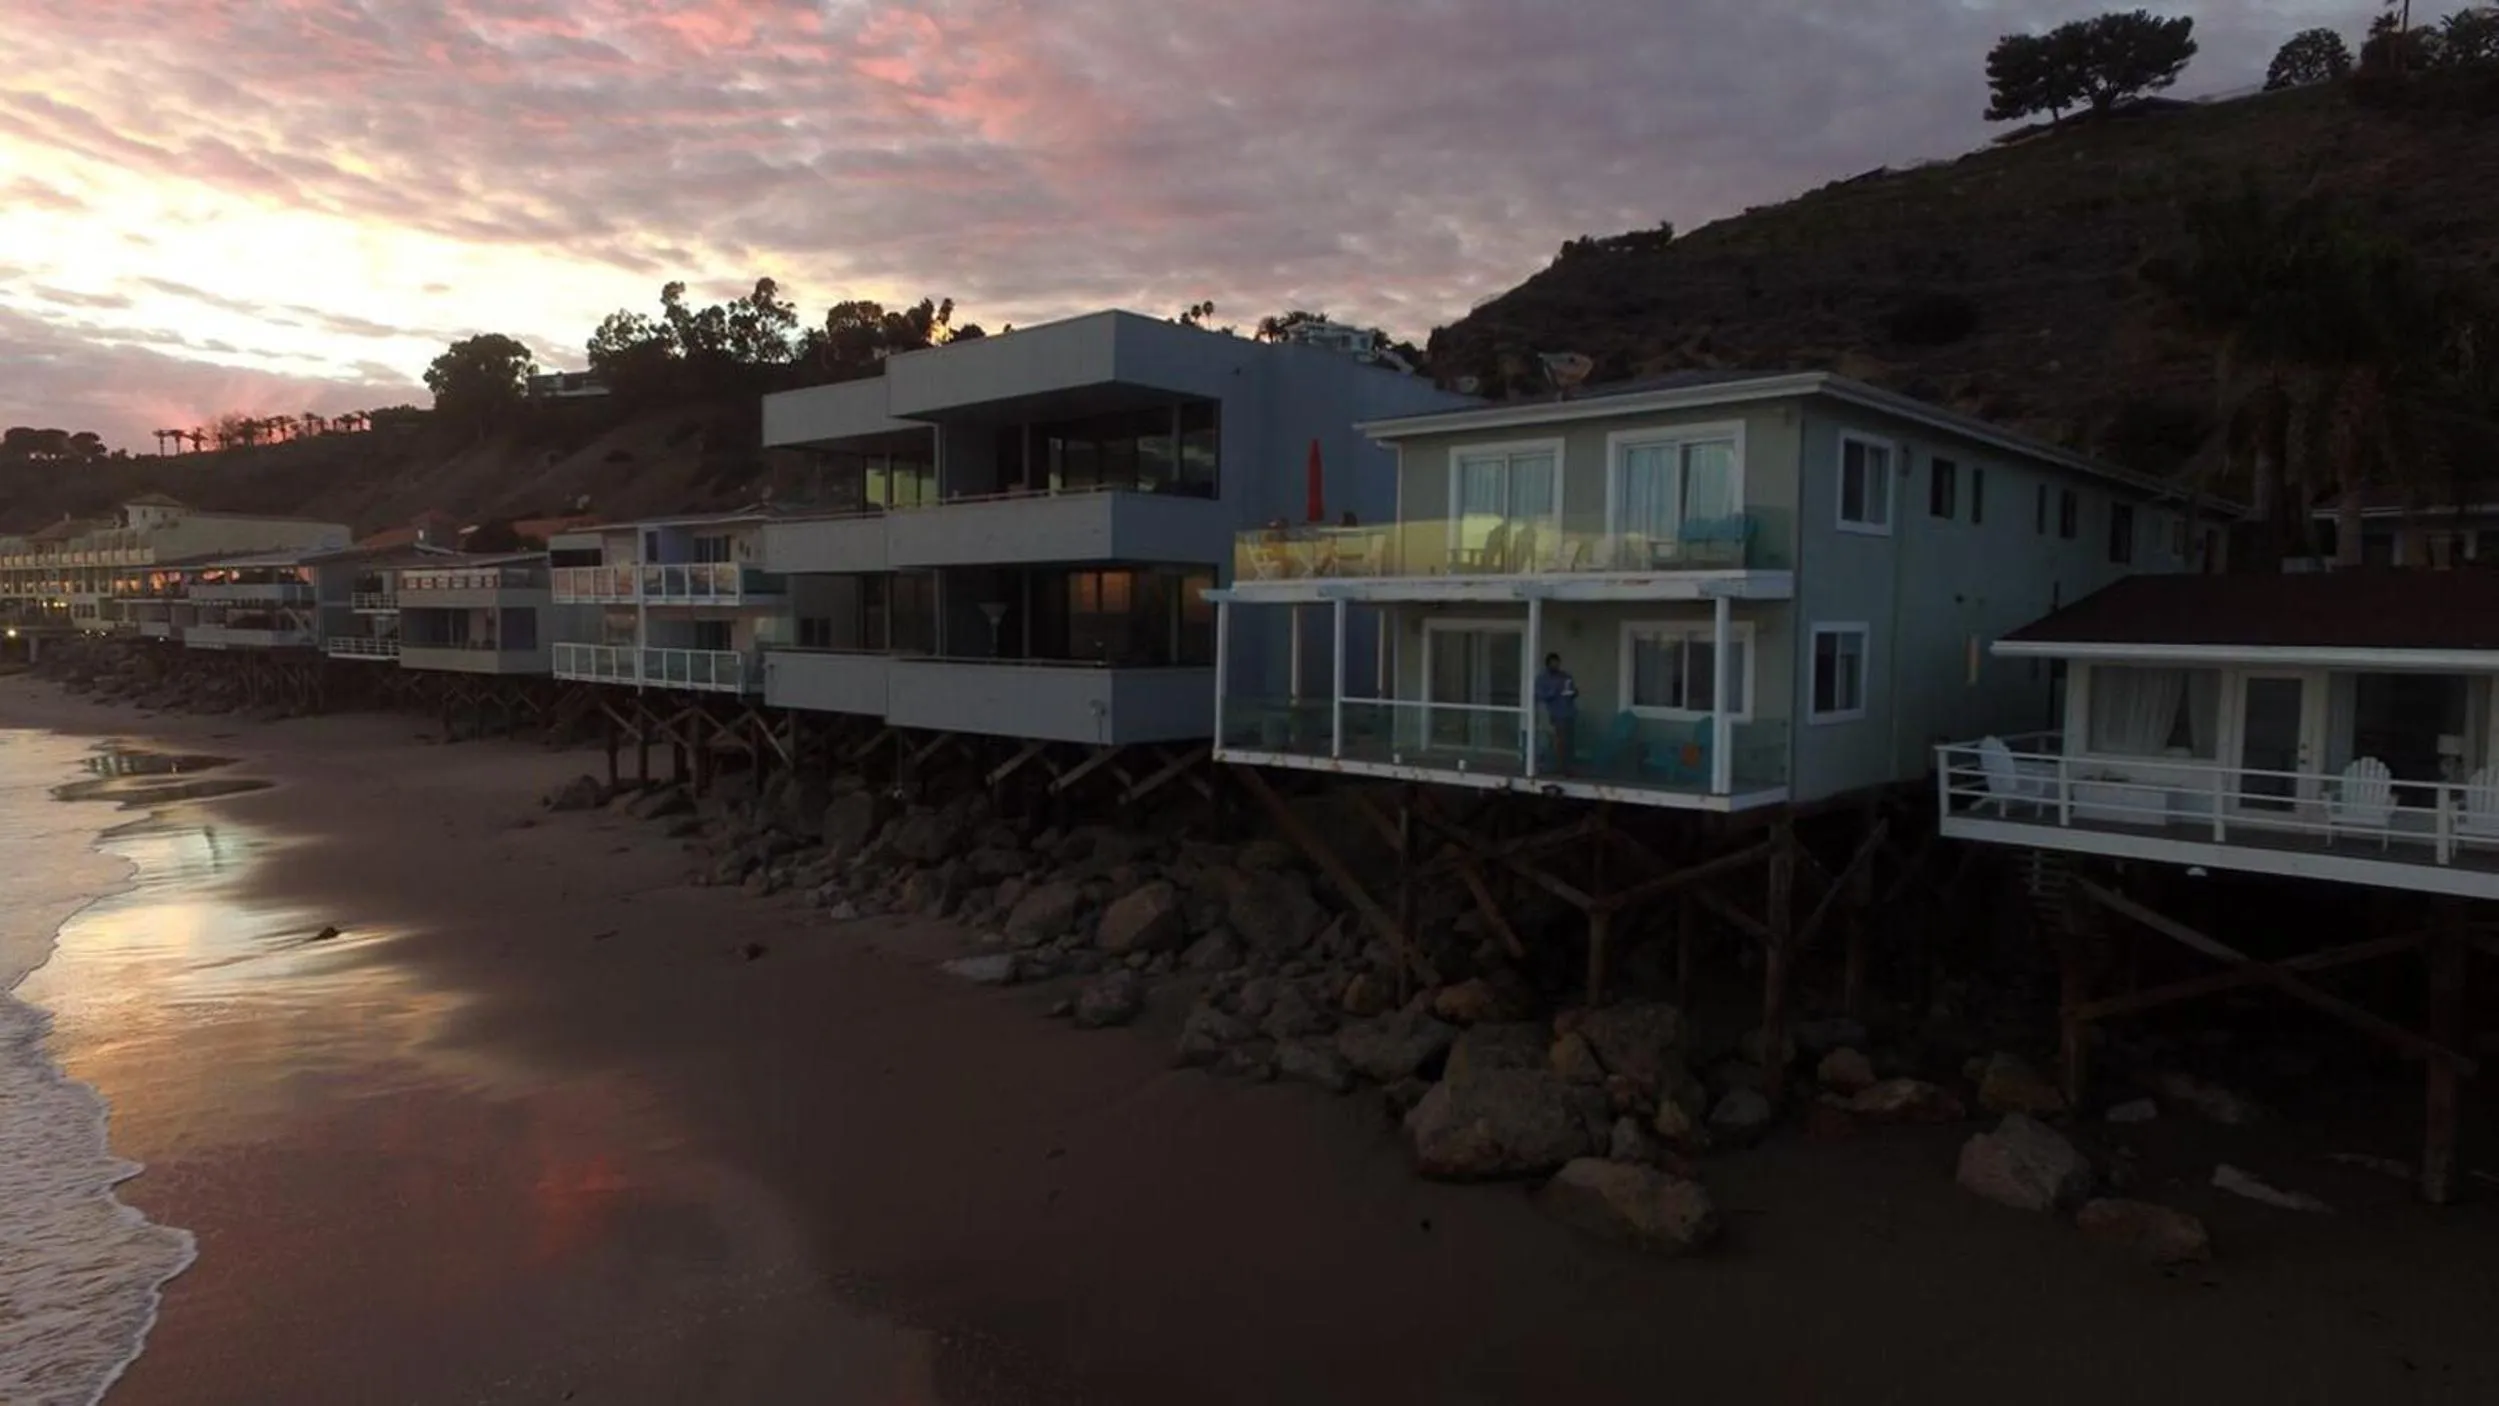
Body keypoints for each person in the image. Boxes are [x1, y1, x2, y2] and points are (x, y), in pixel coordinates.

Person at [1534, 652, 1578, 773]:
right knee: (1552, 741)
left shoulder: (1565, 676)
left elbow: (1572, 691)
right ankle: (1548, 766)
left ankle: (1567, 766)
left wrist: (1573, 692)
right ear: (1548, 664)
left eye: (1557, 663)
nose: (1556, 666)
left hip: (1568, 713)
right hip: (1551, 715)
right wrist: (1553, 691)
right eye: (1553, 664)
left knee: (1568, 742)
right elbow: (1539, 695)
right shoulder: (1542, 678)